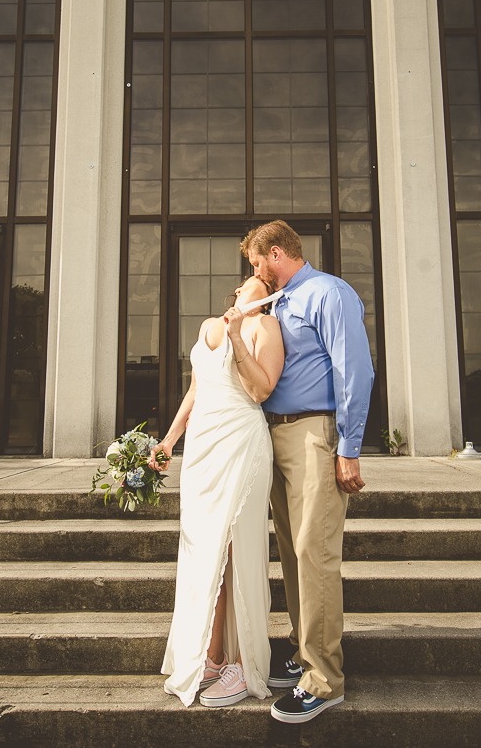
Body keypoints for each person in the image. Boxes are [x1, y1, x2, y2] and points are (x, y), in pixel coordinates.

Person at [242, 220, 374, 724]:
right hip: (274, 435)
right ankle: (302, 654)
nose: (256, 274)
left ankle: (325, 680)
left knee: (313, 552)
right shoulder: (277, 303)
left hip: (315, 434)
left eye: (257, 264)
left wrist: (349, 447)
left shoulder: (327, 292)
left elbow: (354, 369)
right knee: (293, 553)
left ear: (276, 254)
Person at [151, 275, 284, 708]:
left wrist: (236, 335)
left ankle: (243, 664)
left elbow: (261, 389)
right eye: (251, 280)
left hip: (241, 442)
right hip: (204, 448)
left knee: (238, 548)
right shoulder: (208, 324)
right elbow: (196, 389)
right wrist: (169, 441)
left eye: (264, 283)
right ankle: (210, 655)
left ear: (267, 298)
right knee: (206, 550)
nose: (255, 285)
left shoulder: (265, 328)